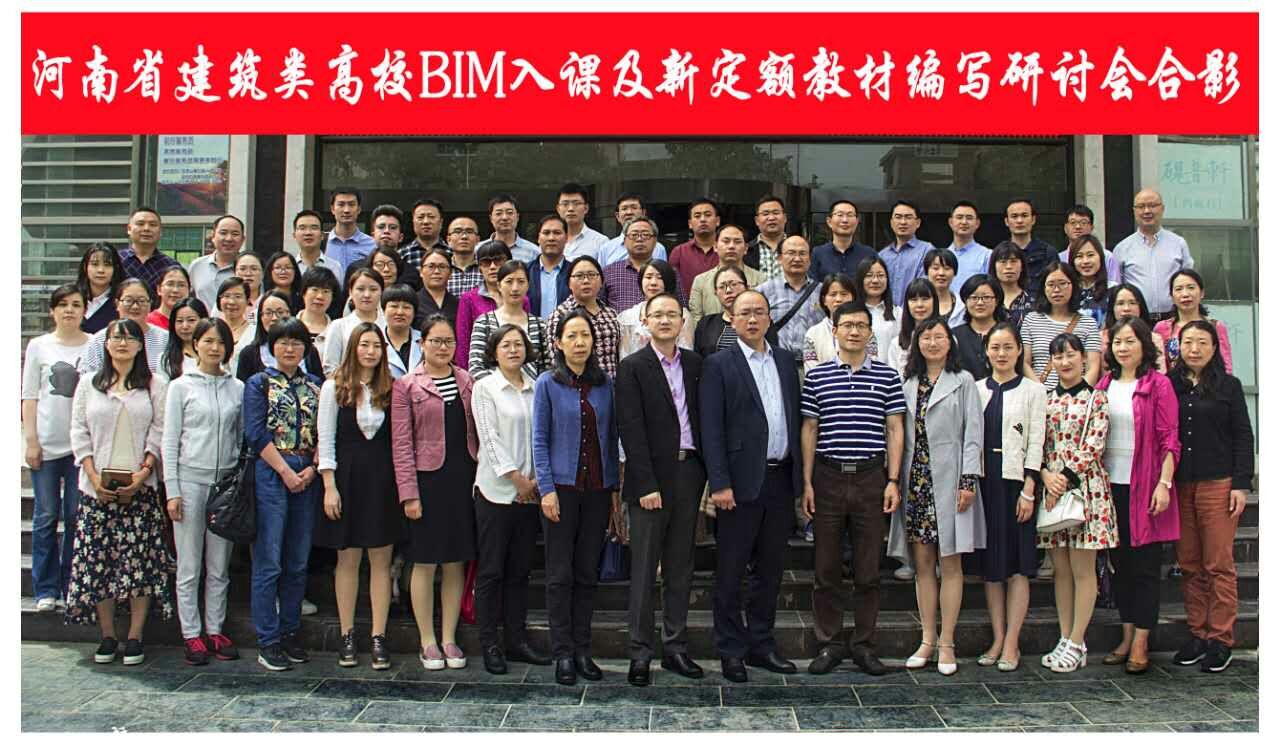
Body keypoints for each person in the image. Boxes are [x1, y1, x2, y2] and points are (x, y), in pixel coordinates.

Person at [699, 289, 802, 683]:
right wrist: (719, 482)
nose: (753, 319)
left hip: (780, 479)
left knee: (770, 570)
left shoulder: (784, 360)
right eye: (745, 313)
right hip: (738, 484)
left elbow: (792, 416)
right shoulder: (718, 364)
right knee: (731, 570)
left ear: (769, 318)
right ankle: (730, 649)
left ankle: (762, 644)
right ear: (732, 318)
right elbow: (711, 427)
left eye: (760, 312)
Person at [800, 302, 905, 676]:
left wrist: (893, 480)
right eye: (847, 325)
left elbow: (894, 428)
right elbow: (810, 429)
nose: (855, 331)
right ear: (835, 331)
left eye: (861, 325)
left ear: (870, 332)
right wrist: (807, 482)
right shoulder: (817, 377)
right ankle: (829, 643)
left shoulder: (888, 376)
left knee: (868, 569)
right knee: (826, 567)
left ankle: (863, 645)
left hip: (871, 477)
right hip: (827, 477)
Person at [65, 318, 172, 665]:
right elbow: (78, 431)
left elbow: (160, 429)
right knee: (99, 563)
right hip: (96, 488)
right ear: (106, 344)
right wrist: (93, 476)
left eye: (129, 337)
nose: (122, 343)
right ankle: (108, 634)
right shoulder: (88, 384)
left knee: (139, 563)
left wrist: (145, 471)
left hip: (140, 487)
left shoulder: (155, 384)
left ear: (141, 345)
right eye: (116, 337)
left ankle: (136, 635)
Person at [616, 294, 707, 686]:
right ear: (645, 321)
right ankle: (640, 653)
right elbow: (630, 429)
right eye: (658, 315)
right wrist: (645, 483)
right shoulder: (632, 367)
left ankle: (675, 648)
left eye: (672, 314)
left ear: (683, 321)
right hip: (650, 480)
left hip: (689, 474)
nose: (666, 320)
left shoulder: (696, 364)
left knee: (680, 567)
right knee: (643, 570)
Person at [887, 317, 985, 677]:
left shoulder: (963, 381)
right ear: (916, 343)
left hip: (952, 481)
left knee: (951, 564)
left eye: (939, 336)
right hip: (917, 482)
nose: (932, 342)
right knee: (924, 565)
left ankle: (947, 642)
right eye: (925, 337)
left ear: (950, 342)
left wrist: (968, 480)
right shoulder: (907, 383)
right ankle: (927, 639)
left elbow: (973, 434)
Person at [533, 309, 620, 685]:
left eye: (585, 335)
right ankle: (563, 653)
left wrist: (614, 490)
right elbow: (539, 439)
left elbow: (611, 437)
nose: (579, 342)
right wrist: (547, 489)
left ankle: (583, 650)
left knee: (587, 572)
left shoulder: (604, 385)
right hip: (561, 492)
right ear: (558, 343)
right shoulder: (547, 383)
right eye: (572, 336)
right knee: (559, 574)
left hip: (597, 491)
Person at [391, 315, 479, 671]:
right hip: (427, 482)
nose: (443, 348)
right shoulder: (407, 385)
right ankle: (427, 640)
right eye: (436, 341)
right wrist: (408, 494)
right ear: (422, 344)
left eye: (448, 342)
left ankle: (449, 637)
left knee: (455, 560)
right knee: (425, 561)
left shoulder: (467, 380)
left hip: (462, 479)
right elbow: (400, 445)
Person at [316, 322, 405, 670]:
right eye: (364, 344)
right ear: (353, 348)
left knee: (381, 561)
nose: (370, 351)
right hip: (346, 479)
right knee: (348, 560)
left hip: (382, 480)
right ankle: (347, 634)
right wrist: (329, 486)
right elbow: (326, 439)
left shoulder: (392, 387)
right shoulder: (333, 387)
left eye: (376, 346)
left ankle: (379, 635)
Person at [1095, 317, 1181, 674]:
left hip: (1145, 486)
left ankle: (1142, 640)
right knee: (1120, 566)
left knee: (1145, 567)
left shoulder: (1158, 385)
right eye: (1118, 341)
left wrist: (1164, 484)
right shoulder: (1104, 384)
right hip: (1109, 486)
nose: (1123, 347)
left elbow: (1170, 439)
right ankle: (1127, 634)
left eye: (1130, 341)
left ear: (1145, 345)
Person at [1169, 320, 1254, 673]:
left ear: (1214, 347)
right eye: (1188, 342)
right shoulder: (1170, 384)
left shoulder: (1228, 386)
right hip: (1181, 484)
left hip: (1218, 483)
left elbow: (1243, 436)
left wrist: (1240, 484)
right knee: (1189, 563)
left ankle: (1220, 639)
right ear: (1178, 347)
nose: (1195, 349)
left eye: (1202, 342)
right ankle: (1198, 634)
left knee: (1218, 564)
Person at [471, 325, 554, 675]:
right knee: (492, 570)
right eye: (506, 345)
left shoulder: (536, 386)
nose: (513, 350)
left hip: (530, 494)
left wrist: (535, 481)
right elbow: (488, 438)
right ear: (494, 351)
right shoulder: (485, 387)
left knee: (520, 571)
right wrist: (516, 478)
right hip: (497, 492)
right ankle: (489, 643)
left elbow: (543, 434)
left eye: (519, 344)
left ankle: (516, 640)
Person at [162, 317, 244, 666]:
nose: (214, 348)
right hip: (189, 481)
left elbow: (239, 436)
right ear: (195, 344)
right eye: (208, 341)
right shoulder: (180, 387)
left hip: (224, 486)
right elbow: (169, 441)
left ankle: (215, 629)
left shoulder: (237, 387)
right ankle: (191, 633)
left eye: (221, 342)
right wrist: (172, 490)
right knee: (189, 563)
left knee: (219, 565)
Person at [963, 323, 1045, 672]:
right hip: (984, 484)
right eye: (995, 347)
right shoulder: (975, 389)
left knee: (1017, 566)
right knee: (991, 568)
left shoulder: (1033, 391)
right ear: (986, 351)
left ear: (1019, 350)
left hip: (1016, 484)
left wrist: (1029, 488)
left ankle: (1013, 641)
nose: (1001, 353)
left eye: (1008, 347)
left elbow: (1037, 441)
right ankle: (997, 638)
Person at [245, 318, 322, 671]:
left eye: (296, 342)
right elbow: (255, 433)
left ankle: (291, 631)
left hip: (307, 472)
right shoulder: (259, 383)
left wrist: (312, 468)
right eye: (283, 342)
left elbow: (325, 430)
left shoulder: (316, 385)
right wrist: (285, 471)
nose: (290, 348)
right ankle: (268, 638)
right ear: (271, 346)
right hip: (272, 471)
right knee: (269, 559)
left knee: (297, 559)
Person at [1037, 333, 1116, 673]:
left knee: (1083, 570)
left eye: (1070, 355)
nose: (1065, 362)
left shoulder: (1097, 398)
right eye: (1058, 356)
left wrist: (1064, 478)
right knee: (1061, 570)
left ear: (1084, 358)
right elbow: (1037, 445)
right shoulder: (1045, 400)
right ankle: (1064, 636)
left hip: (1086, 491)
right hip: (1052, 491)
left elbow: (1094, 445)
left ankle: (1077, 640)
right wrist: (1045, 476)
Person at [22, 284, 91, 612]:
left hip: (80, 448)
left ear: (84, 310)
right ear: (52, 311)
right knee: (46, 516)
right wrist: (31, 440)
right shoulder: (39, 345)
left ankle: (70, 583)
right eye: (62, 305)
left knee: (75, 516)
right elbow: (29, 396)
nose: (69, 310)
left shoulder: (94, 344)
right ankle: (45, 588)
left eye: (76, 304)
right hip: (47, 445)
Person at [1113, 188, 1194, 321]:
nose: (1147, 211)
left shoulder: (1178, 244)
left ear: (1162, 209)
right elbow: (1117, 289)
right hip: (1137, 321)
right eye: (1141, 206)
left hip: (1173, 319)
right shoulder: (1122, 248)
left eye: (1152, 206)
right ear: (1134, 211)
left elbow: (1189, 281)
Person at [1020, 262, 1102, 389]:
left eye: (1062, 283)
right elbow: (1025, 363)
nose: (1057, 290)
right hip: (1039, 393)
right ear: (1043, 288)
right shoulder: (1031, 320)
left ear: (1073, 285)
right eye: (1051, 284)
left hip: (1077, 396)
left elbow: (1093, 367)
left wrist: (1079, 395)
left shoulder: (1088, 323)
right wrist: (1040, 392)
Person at [468, 261, 551, 380]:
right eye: (509, 281)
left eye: (521, 282)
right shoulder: (484, 322)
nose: (515, 288)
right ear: (499, 285)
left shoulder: (539, 325)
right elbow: (475, 367)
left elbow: (547, 368)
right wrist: (504, 387)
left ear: (528, 285)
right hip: (493, 389)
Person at [548, 256, 622, 378]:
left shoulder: (611, 314)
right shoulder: (559, 315)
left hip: (611, 386)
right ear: (569, 283)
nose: (586, 281)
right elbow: (556, 361)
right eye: (579, 276)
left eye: (592, 275)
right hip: (575, 386)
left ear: (601, 281)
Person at [77, 278, 169, 375]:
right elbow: (87, 376)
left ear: (150, 304)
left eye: (141, 301)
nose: (135, 306)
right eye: (128, 300)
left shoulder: (165, 339)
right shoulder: (100, 340)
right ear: (117, 304)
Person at [455, 241, 523, 368]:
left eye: (498, 260)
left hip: (517, 367)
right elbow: (463, 343)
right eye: (486, 262)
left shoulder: (521, 299)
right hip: (481, 369)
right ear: (479, 267)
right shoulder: (468, 299)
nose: (492, 267)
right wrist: (464, 375)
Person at [1154, 269, 1233, 374]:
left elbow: (1226, 367)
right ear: (1172, 296)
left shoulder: (1215, 327)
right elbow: (1158, 367)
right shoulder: (1162, 328)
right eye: (1179, 289)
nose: (1185, 294)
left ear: (1202, 293)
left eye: (1191, 287)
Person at [758, 236, 822, 363]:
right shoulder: (763, 291)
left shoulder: (823, 292)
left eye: (802, 253)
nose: (797, 258)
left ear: (810, 259)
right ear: (779, 258)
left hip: (814, 364)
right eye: (791, 253)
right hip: (776, 363)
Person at [237, 290, 323, 382]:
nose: (274, 318)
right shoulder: (249, 353)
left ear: (290, 314)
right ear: (260, 317)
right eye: (268, 313)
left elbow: (318, 385)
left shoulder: (309, 350)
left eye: (280, 312)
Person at [616, 259, 695, 358]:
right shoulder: (627, 316)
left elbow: (686, 351)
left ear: (668, 281)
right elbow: (624, 356)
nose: (653, 283)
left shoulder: (682, 314)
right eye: (648, 277)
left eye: (660, 278)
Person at [688, 224, 765, 324]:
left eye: (737, 241)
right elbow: (696, 319)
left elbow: (764, 315)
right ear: (715, 246)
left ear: (746, 248)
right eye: (726, 241)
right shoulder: (700, 281)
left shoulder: (760, 279)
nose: (731, 246)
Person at [322, 268, 385, 376]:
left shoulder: (389, 325)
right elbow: (330, 368)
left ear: (381, 292)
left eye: (373, 289)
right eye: (360, 289)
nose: (367, 295)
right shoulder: (339, 326)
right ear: (350, 292)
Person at [693, 265, 757, 359]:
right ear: (715, 293)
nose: (728, 290)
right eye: (722, 287)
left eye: (733, 284)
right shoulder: (706, 324)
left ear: (747, 287)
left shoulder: (760, 320)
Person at [601, 217, 662, 312]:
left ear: (655, 241)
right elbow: (597, 307)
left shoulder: (667, 272)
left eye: (645, 235)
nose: (640, 239)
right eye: (634, 235)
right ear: (625, 241)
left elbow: (682, 308)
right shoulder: (608, 272)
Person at [951, 275, 1006, 381]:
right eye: (974, 298)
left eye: (986, 297)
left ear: (996, 301)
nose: (980, 303)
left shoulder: (1007, 333)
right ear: (965, 301)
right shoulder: (955, 335)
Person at [1103, 284, 1167, 374]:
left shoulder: (1154, 339)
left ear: (1141, 307)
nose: (1126, 308)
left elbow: (1160, 372)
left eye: (1132, 303)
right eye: (1120, 303)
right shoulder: (1101, 338)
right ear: (1112, 308)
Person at [801, 273, 857, 374]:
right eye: (833, 294)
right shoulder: (813, 334)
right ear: (824, 300)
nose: (838, 299)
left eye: (844, 294)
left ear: (853, 298)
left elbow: (871, 365)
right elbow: (812, 373)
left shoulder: (866, 331)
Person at [809, 200, 876, 282]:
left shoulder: (869, 253)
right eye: (840, 215)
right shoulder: (818, 253)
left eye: (850, 215)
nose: (845, 220)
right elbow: (813, 285)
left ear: (857, 222)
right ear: (829, 222)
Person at [880, 200, 932, 306]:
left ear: (918, 223)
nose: (903, 222)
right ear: (891, 223)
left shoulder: (927, 250)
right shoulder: (882, 255)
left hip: (915, 311)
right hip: (886, 313)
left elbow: (926, 287)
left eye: (908, 217)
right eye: (898, 217)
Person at [885, 278, 940, 378]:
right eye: (914, 300)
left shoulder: (947, 338)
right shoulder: (896, 344)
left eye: (925, 299)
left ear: (934, 301)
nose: (920, 305)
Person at [668, 198, 722, 300]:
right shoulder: (679, 252)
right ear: (690, 223)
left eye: (708, 215)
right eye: (697, 216)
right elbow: (672, 287)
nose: (702, 219)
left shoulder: (727, 250)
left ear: (717, 221)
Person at [597, 193, 669, 268]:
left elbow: (662, 274)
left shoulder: (658, 248)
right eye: (624, 209)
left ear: (643, 213)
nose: (629, 212)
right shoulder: (606, 249)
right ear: (618, 216)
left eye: (634, 208)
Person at [118, 206, 180, 290]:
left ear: (160, 231)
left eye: (153, 225)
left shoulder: (170, 265)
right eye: (140, 224)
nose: (146, 229)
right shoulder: (116, 260)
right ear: (129, 229)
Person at [189, 215, 244, 309]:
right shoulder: (196, 266)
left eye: (235, 234)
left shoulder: (247, 269)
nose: (229, 238)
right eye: (223, 233)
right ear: (213, 237)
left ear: (243, 239)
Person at [1058, 204, 1122, 283]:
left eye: (1083, 222)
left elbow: (1115, 286)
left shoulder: (1108, 257)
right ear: (1065, 228)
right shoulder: (1059, 258)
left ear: (1092, 227)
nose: (1078, 226)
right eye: (1073, 222)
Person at [324, 186, 377, 276]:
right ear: (332, 209)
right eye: (341, 205)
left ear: (359, 209)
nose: (346, 210)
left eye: (351, 205)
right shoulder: (322, 243)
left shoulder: (372, 245)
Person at [1003, 199, 1056, 288]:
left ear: (1033, 219)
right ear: (1006, 221)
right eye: (1014, 216)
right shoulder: (1000, 253)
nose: (1019, 221)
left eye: (1024, 215)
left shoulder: (1048, 252)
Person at [855, 255, 898, 363]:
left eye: (880, 275)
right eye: (869, 276)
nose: (875, 280)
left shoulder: (898, 313)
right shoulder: (850, 313)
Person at [528, 215, 571, 320]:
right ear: (538, 238)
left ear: (566, 238)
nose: (551, 238)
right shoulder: (525, 272)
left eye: (557, 233)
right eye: (546, 233)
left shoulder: (574, 272)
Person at [76, 242, 125, 334]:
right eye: (95, 264)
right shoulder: (74, 297)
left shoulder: (122, 302)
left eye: (107, 265)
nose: (101, 270)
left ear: (116, 268)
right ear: (85, 267)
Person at [943, 201, 991, 293]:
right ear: (951, 222)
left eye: (969, 218)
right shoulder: (941, 257)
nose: (964, 222)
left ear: (977, 223)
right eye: (959, 217)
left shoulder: (987, 255)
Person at [477, 193, 539, 264]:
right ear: (491, 218)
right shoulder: (478, 249)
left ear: (517, 217)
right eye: (498, 213)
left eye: (509, 213)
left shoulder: (534, 251)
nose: (505, 218)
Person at [160, 297, 210, 382]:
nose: (185, 326)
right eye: (179, 321)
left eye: (191, 320)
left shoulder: (214, 352)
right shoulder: (166, 359)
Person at [1068, 234, 1113, 329]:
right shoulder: (1067, 290)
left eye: (1090, 255)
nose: (1085, 261)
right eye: (1079, 256)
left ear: (1101, 257)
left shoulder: (1113, 289)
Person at [989, 241, 1036, 330]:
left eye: (1013, 261)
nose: (1009, 266)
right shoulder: (987, 299)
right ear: (994, 266)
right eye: (1003, 261)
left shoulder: (1034, 301)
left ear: (1022, 266)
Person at [557, 182, 609, 261]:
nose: (571, 208)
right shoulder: (551, 241)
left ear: (586, 208)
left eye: (576, 203)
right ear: (558, 209)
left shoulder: (601, 242)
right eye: (565, 204)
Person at [381, 284, 423, 380]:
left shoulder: (425, 340)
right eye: (394, 306)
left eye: (406, 307)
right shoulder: (375, 341)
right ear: (383, 310)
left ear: (414, 312)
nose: (400, 312)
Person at [292, 209, 343, 280]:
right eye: (302, 228)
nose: (308, 233)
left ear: (322, 235)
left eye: (314, 228)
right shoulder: (290, 268)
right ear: (294, 235)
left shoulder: (335, 267)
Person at [401, 198, 449, 273]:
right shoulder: (402, 254)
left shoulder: (451, 253)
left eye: (431, 217)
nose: (426, 222)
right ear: (413, 222)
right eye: (420, 217)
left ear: (441, 222)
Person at [416, 248, 460, 329]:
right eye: (431, 266)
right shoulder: (413, 302)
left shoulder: (459, 304)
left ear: (450, 273)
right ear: (421, 272)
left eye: (442, 267)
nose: (436, 271)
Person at [298, 266, 339, 352]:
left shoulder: (337, 331)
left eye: (326, 291)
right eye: (315, 290)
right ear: (303, 293)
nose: (320, 296)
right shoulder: (288, 327)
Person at [745, 195, 786, 280]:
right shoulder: (746, 250)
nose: (771, 218)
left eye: (776, 213)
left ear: (785, 218)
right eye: (765, 214)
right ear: (757, 221)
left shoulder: (799, 248)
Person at [922, 248, 966, 327]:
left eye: (947, 268)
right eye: (935, 268)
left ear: (954, 272)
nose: (941, 273)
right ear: (926, 271)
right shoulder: (917, 303)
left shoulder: (963, 306)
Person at [445, 216, 484, 296]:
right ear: (449, 240)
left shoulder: (486, 268)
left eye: (469, 232)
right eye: (457, 232)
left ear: (477, 239)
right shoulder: (442, 268)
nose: (464, 237)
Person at [214, 277, 254, 353]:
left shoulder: (253, 331)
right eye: (227, 296)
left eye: (238, 296)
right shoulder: (211, 328)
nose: (231, 302)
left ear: (247, 301)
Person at [146, 265, 191, 330]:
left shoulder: (196, 323)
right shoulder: (147, 322)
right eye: (170, 284)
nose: (175, 290)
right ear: (159, 289)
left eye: (181, 285)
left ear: (189, 290)